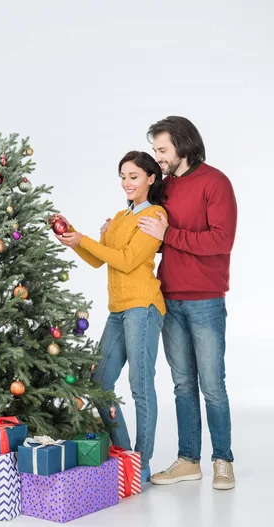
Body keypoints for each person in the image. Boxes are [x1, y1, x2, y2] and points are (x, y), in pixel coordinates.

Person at [102, 117, 238, 490]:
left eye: (162, 150)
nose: (158, 158)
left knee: (212, 385)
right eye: (156, 151)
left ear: (182, 145)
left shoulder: (215, 182)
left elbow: (221, 240)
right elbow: (149, 238)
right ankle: (188, 460)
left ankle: (222, 460)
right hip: (168, 297)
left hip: (206, 298)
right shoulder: (164, 190)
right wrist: (113, 232)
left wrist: (169, 233)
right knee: (181, 384)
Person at [53, 151, 166, 483]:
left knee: (140, 384)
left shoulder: (155, 215)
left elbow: (129, 260)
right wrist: (74, 239)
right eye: (122, 177)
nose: (127, 183)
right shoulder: (119, 217)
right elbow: (98, 260)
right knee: (100, 382)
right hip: (118, 310)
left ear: (150, 178)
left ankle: (141, 464)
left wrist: (86, 240)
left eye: (134, 176)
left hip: (143, 307)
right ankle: (125, 452)